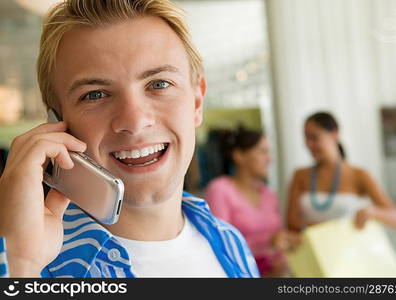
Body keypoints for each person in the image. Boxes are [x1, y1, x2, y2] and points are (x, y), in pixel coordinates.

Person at [0, 0, 259, 278]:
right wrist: (20, 263)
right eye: (95, 94)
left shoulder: (231, 242)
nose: (134, 121)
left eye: (159, 84)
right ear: (57, 125)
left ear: (196, 103)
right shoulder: (33, 263)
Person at [286, 112, 396, 232]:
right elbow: (291, 223)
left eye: (314, 137)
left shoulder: (359, 175)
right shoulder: (300, 175)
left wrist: (373, 212)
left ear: (334, 135)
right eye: (306, 138)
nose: (308, 144)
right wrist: (331, 228)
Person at [204, 126, 296, 277]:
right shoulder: (219, 190)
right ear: (239, 156)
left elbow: (278, 245)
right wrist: (268, 242)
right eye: (262, 151)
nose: (269, 159)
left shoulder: (269, 195)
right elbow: (220, 245)